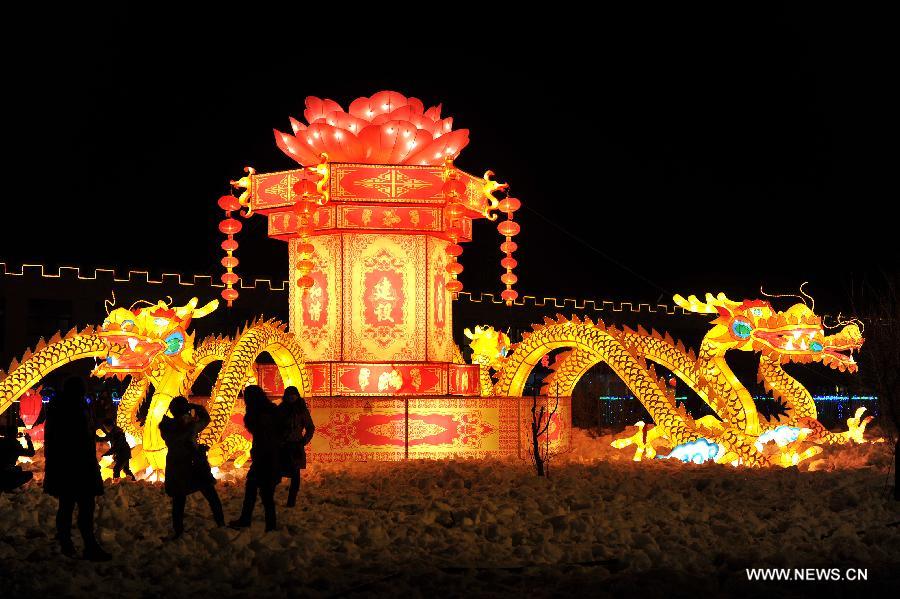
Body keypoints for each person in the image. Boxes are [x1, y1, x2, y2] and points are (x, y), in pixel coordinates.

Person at [43, 376, 111, 561]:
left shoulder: (81, 406)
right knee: (67, 505)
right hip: (69, 465)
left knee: (85, 506)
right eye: (81, 387)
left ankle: (88, 544)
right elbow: (55, 440)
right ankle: (68, 543)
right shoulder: (60, 409)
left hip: (83, 464)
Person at [158, 396, 225, 539]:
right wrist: (196, 407)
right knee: (211, 494)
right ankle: (221, 523)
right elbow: (206, 419)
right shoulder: (190, 427)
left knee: (178, 499)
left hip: (175, 465)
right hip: (193, 463)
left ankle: (178, 530)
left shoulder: (166, 428)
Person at [230, 385, 281, 531]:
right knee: (255, 491)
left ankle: (267, 524)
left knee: (263, 493)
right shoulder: (270, 410)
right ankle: (254, 521)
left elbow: (258, 430)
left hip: (265, 458)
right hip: (267, 456)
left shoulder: (258, 414)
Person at [277, 386, 315, 507]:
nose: (291, 397)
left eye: (294, 395)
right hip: (283, 446)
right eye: (289, 395)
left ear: (297, 396)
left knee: (295, 475)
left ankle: (291, 501)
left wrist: (304, 440)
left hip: (296, 446)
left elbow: (310, 427)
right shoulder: (281, 409)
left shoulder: (301, 410)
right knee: (277, 473)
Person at [0, 425, 35, 492]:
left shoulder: (2, 441)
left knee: (18, 468)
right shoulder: (15, 445)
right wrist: (28, 440)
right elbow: (31, 453)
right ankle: (8, 486)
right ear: (15, 434)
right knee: (28, 474)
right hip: (6, 472)